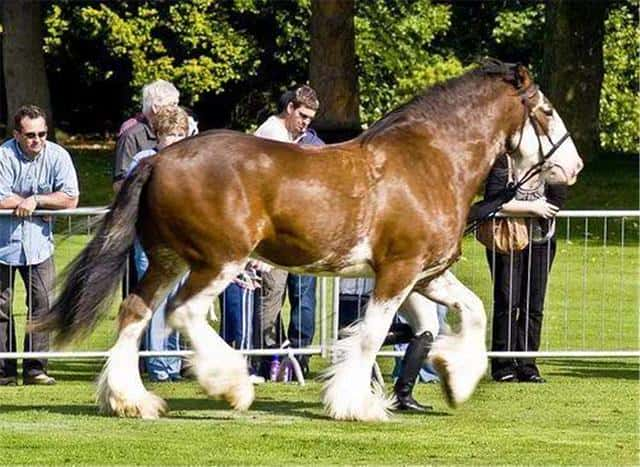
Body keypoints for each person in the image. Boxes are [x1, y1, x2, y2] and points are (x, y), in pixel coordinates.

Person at [0, 105, 79, 386]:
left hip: (39, 245)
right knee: (0, 306)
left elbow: (70, 198)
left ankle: (35, 369)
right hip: (3, 246)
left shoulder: (58, 155)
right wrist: (37, 200)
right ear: (17, 134)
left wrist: (35, 201)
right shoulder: (4, 155)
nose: (37, 140)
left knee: (42, 305)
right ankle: (3, 371)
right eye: (30, 135)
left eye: (42, 134)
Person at [252, 85, 323, 378]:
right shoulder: (271, 135)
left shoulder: (308, 140)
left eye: (310, 118)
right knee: (272, 295)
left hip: (301, 232)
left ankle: (299, 358)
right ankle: (268, 360)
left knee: (304, 297)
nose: (306, 122)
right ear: (290, 108)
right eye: (302, 115)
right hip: (273, 232)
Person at [482, 154, 567, 383]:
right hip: (507, 239)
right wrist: (533, 208)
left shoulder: (551, 163)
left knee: (534, 304)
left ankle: (528, 364)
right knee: (507, 300)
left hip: (542, 239)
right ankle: (503, 364)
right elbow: (493, 200)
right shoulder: (504, 162)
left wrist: (523, 207)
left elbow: (557, 200)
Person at [125, 105, 189, 382]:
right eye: (168, 134)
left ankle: (172, 364)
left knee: (178, 299)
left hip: (183, 241)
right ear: (157, 135)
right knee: (156, 299)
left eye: (179, 134)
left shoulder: (189, 161)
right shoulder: (144, 160)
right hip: (152, 240)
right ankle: (158, 365)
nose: (173, 140)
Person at [338, 278, 442, 412]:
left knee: (424, 330)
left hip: (397, 280)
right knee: (426, 329)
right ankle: (402, 395)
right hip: (401, 279)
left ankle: (402, 394)